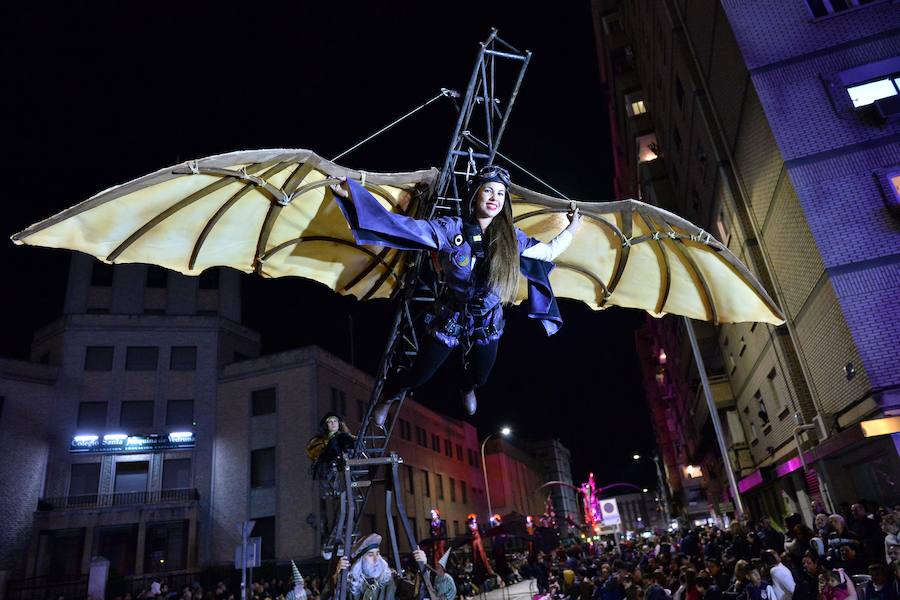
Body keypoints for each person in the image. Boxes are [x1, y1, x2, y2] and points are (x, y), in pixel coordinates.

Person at [330, 166, 582, 424]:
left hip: (487, 319)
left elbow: (548, 252)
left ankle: (466, 386)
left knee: (480, 376)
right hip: (452, 314)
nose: (495, 198)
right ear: (476, 195)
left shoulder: (511, 239)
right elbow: (401, 227)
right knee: (419, 374)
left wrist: (573, 226)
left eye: (501, 193)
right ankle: (389, 396)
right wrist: (353, 197)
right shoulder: (451, 230)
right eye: (489, 191)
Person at [335, 533, 428, 600]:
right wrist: (337, 575)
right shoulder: (350, 583)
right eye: (370, 555)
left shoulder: (391, 579)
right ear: (361, 560)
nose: (376, 559)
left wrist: (422, 567)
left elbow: (415, 594)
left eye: (378, 553)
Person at [306, 413, 356, 495]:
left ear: (339, 423)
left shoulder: (344, 437)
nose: (333, 423)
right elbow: (313, 452)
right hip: (328, 471)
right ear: (326, 425)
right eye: (330, 422)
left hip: (343, 471)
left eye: (335, 421)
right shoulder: (318, 440)